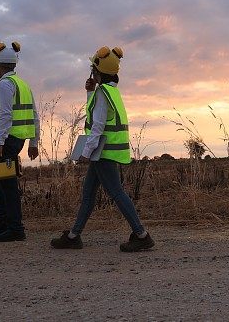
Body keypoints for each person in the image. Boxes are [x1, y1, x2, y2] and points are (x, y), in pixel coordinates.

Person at [51, 46, 154, 251]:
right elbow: (97, 117)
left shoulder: (102, 94)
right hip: (106, 151)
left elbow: (97, 126)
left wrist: (85, 153)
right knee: (89, 194)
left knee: (116, 192)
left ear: (97, 72)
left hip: (102, 152)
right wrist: (89, 92)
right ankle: (73, 236)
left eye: (93, 70)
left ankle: (142, 235)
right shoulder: (111, 92)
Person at [0, 41, 40, 242]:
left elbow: (6, 115)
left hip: (8, 140)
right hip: (18, 140)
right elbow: (35, 115)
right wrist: (34, 142)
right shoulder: (23, 85)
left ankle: (15, 228)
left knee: (6, 184)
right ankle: (5, 223)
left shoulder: (5, 85)